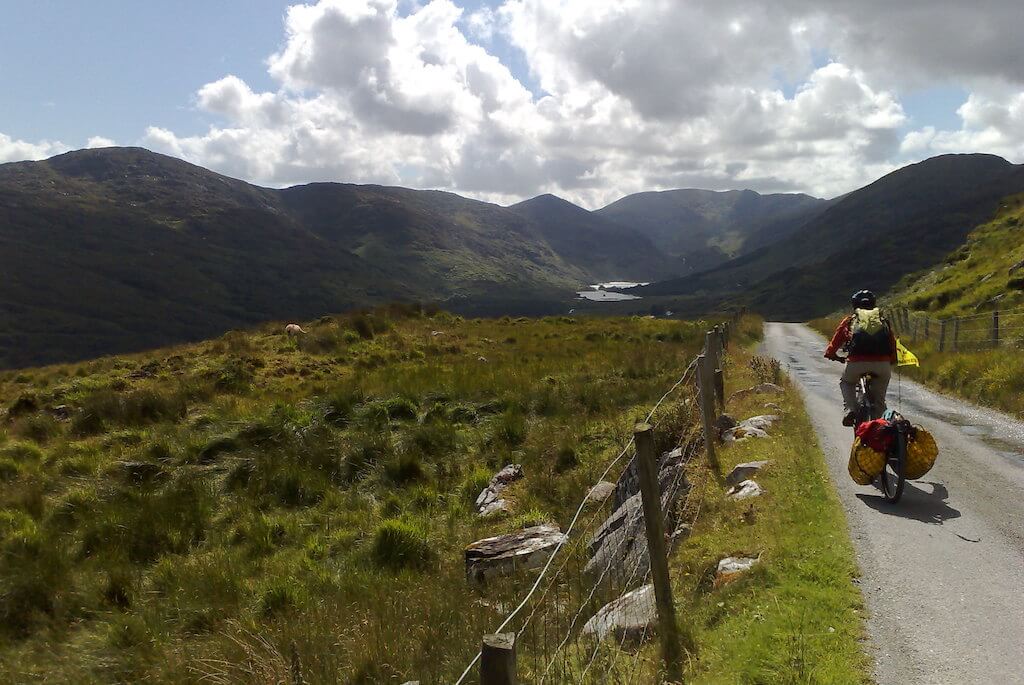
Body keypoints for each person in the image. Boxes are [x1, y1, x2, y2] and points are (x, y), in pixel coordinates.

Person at [824, 290, 897, 426]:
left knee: (846, 382)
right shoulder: (882, 320)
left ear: (854, 305)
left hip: (856, 363)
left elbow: (834, 345)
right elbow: (892, 343)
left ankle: (850, 409)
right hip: (882, 364)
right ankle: (882, 428)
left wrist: (831, 355)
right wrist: (891, 360)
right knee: (879, 401)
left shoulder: (850, 320)